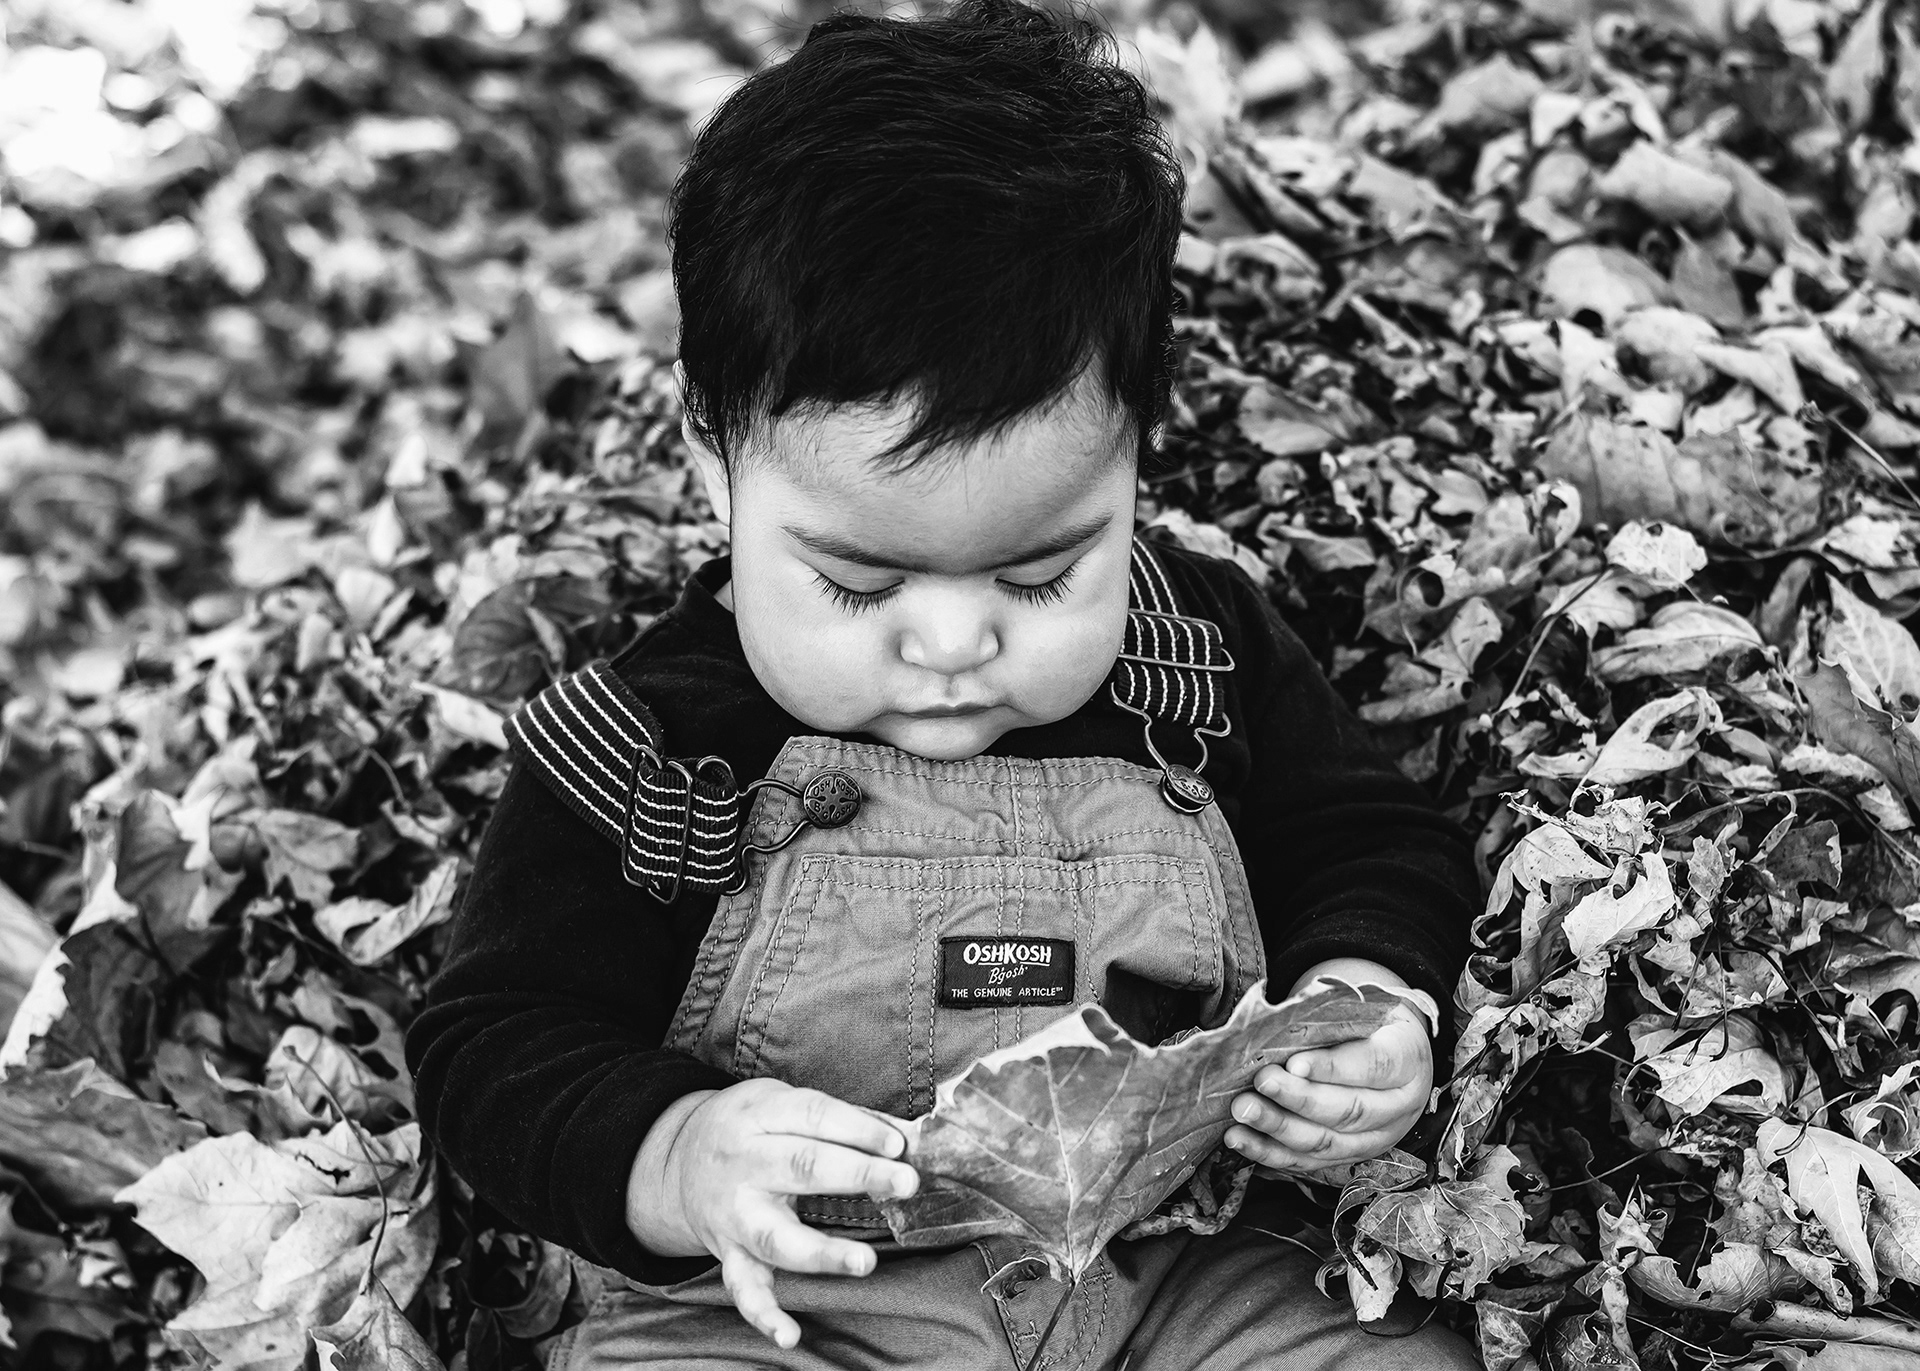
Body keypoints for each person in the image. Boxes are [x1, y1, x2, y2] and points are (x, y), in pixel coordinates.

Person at [405, 2, 1482, 1366]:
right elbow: (493, 1043)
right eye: (861, 584)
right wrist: (676, 1155)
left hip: (1188, 1266)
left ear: (1136, 450)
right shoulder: (652, 748)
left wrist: (1370, 1002)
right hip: (797, 1310)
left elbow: (1370, 840)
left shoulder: (1192, 657)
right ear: (713, 459)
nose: (956, 643)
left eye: (1042, 573)